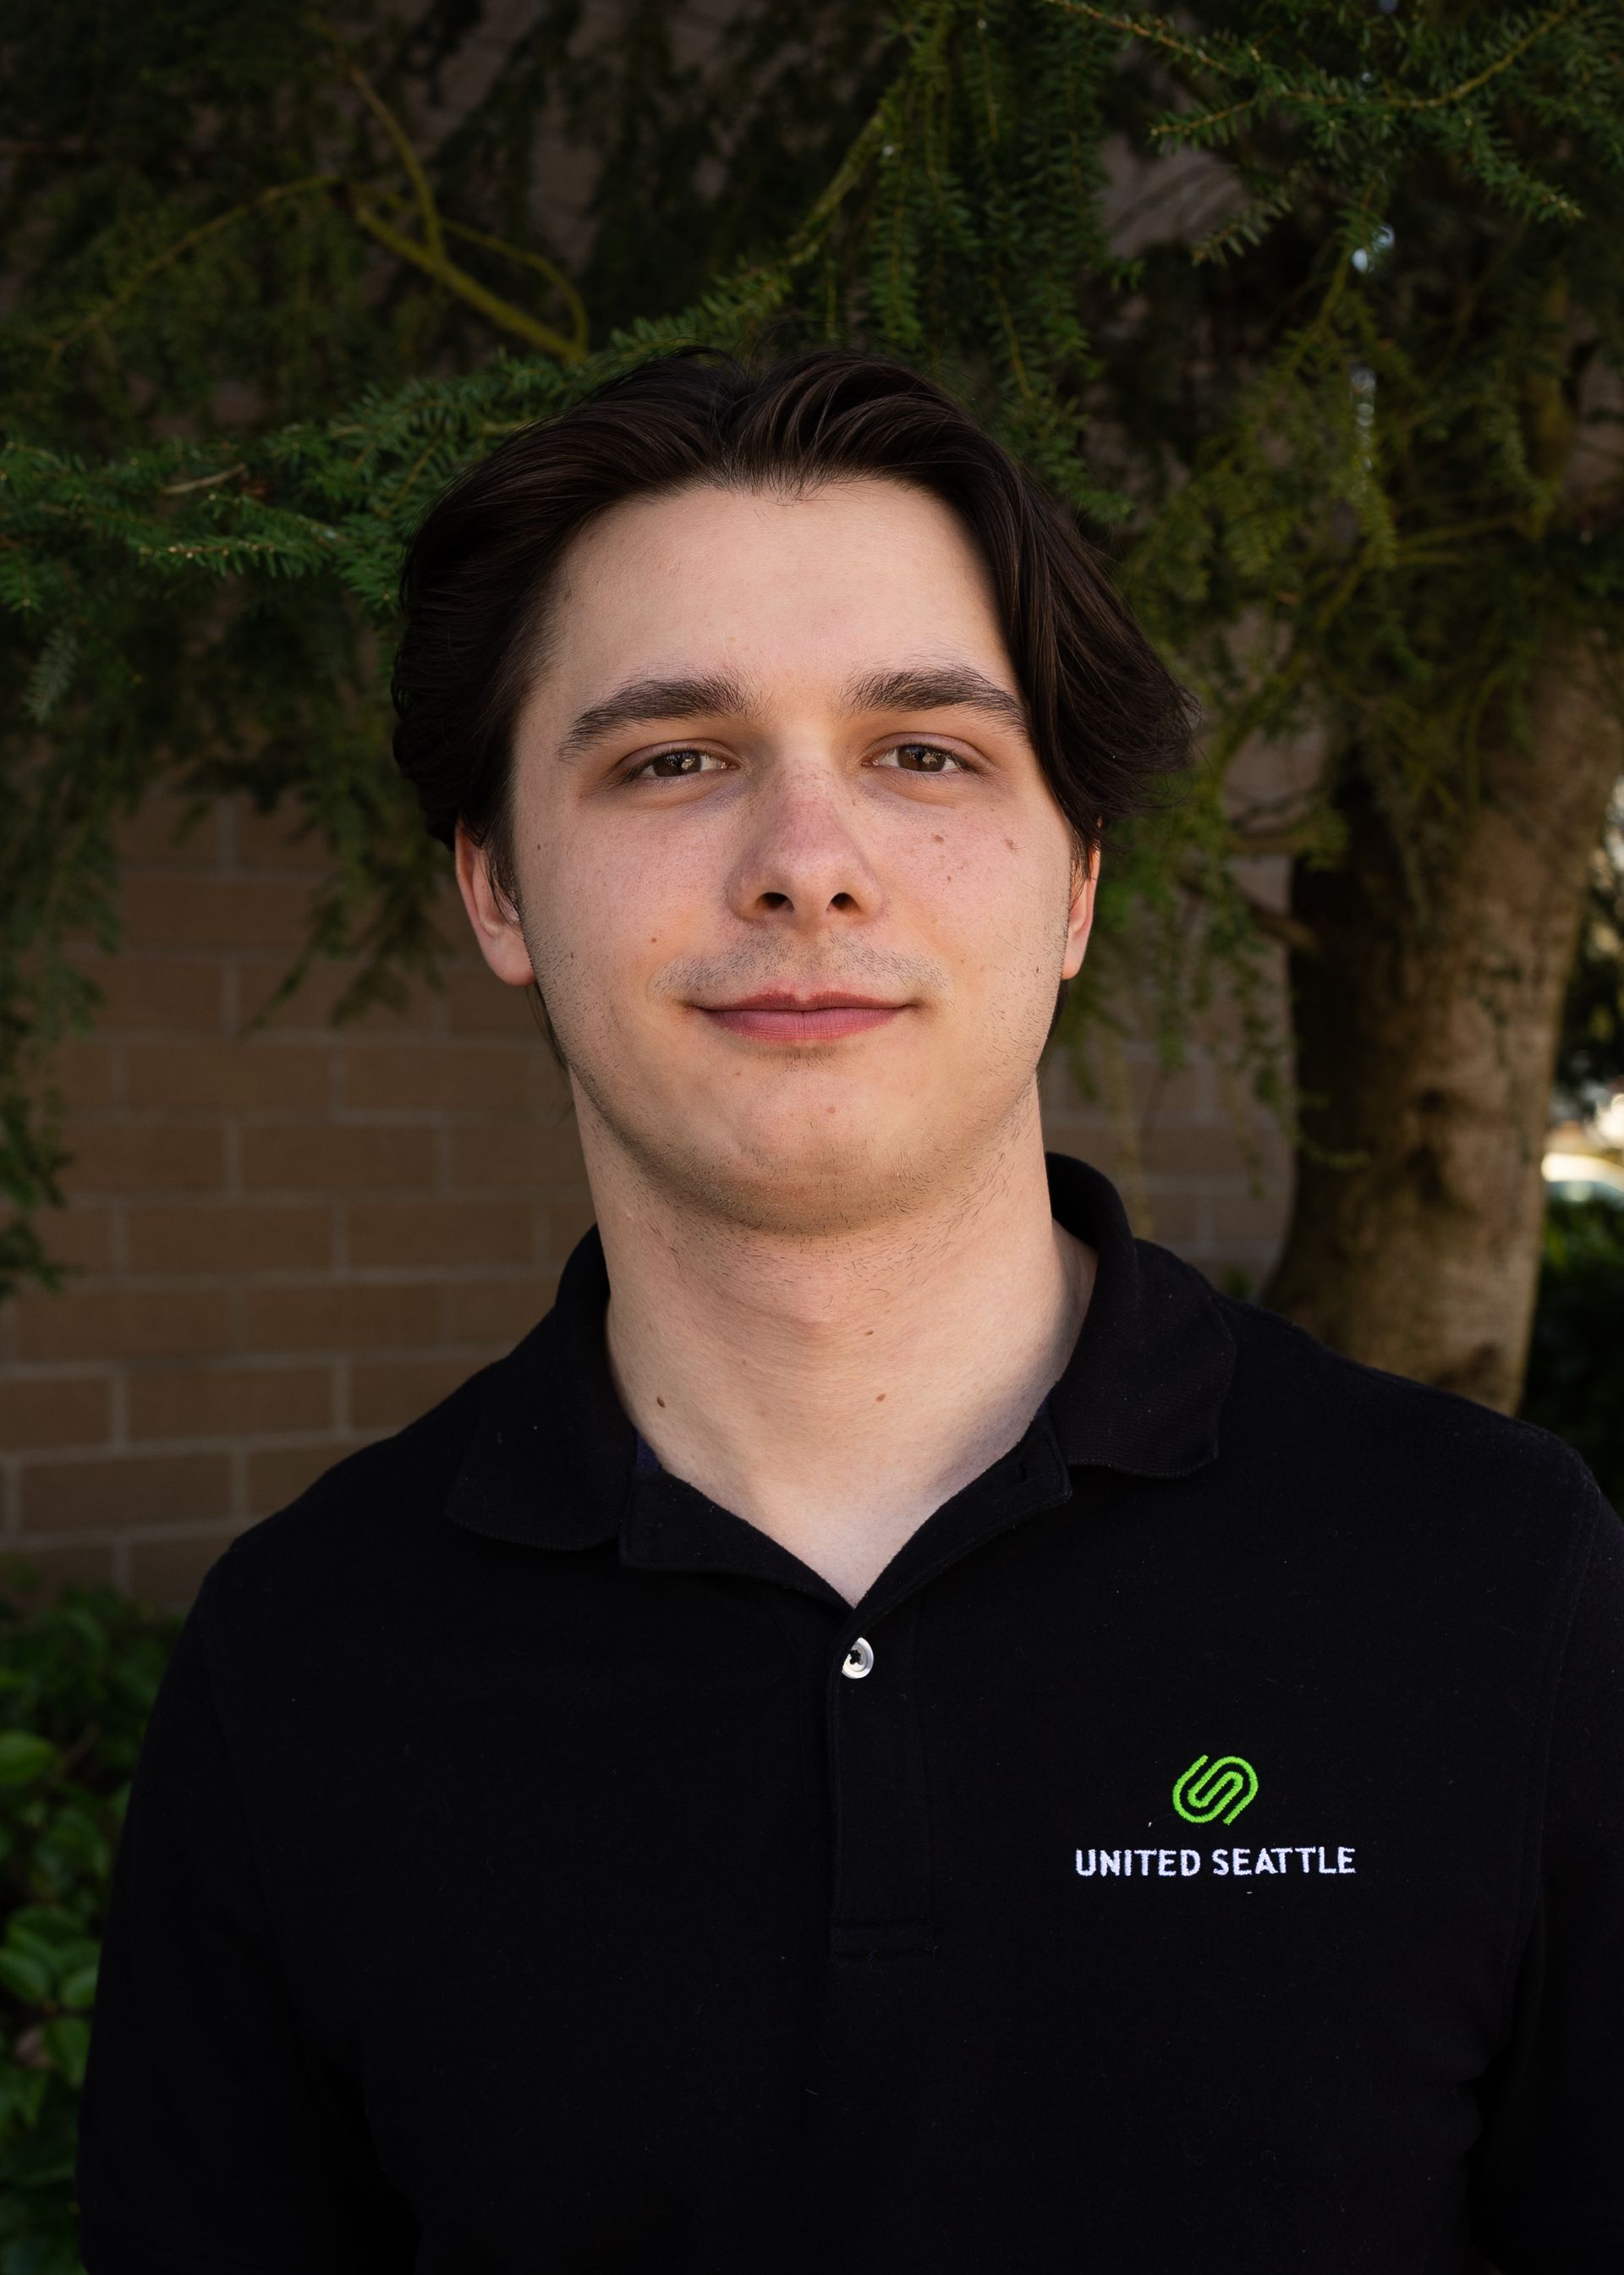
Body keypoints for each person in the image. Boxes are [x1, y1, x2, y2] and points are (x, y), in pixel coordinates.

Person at [74, 348, 1624, 2272]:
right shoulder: (303, 1662)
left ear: (1075, 880)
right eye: (674, 757)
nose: (808, 863)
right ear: (493, 885)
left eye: (924, 753)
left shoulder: (1496, 1580)